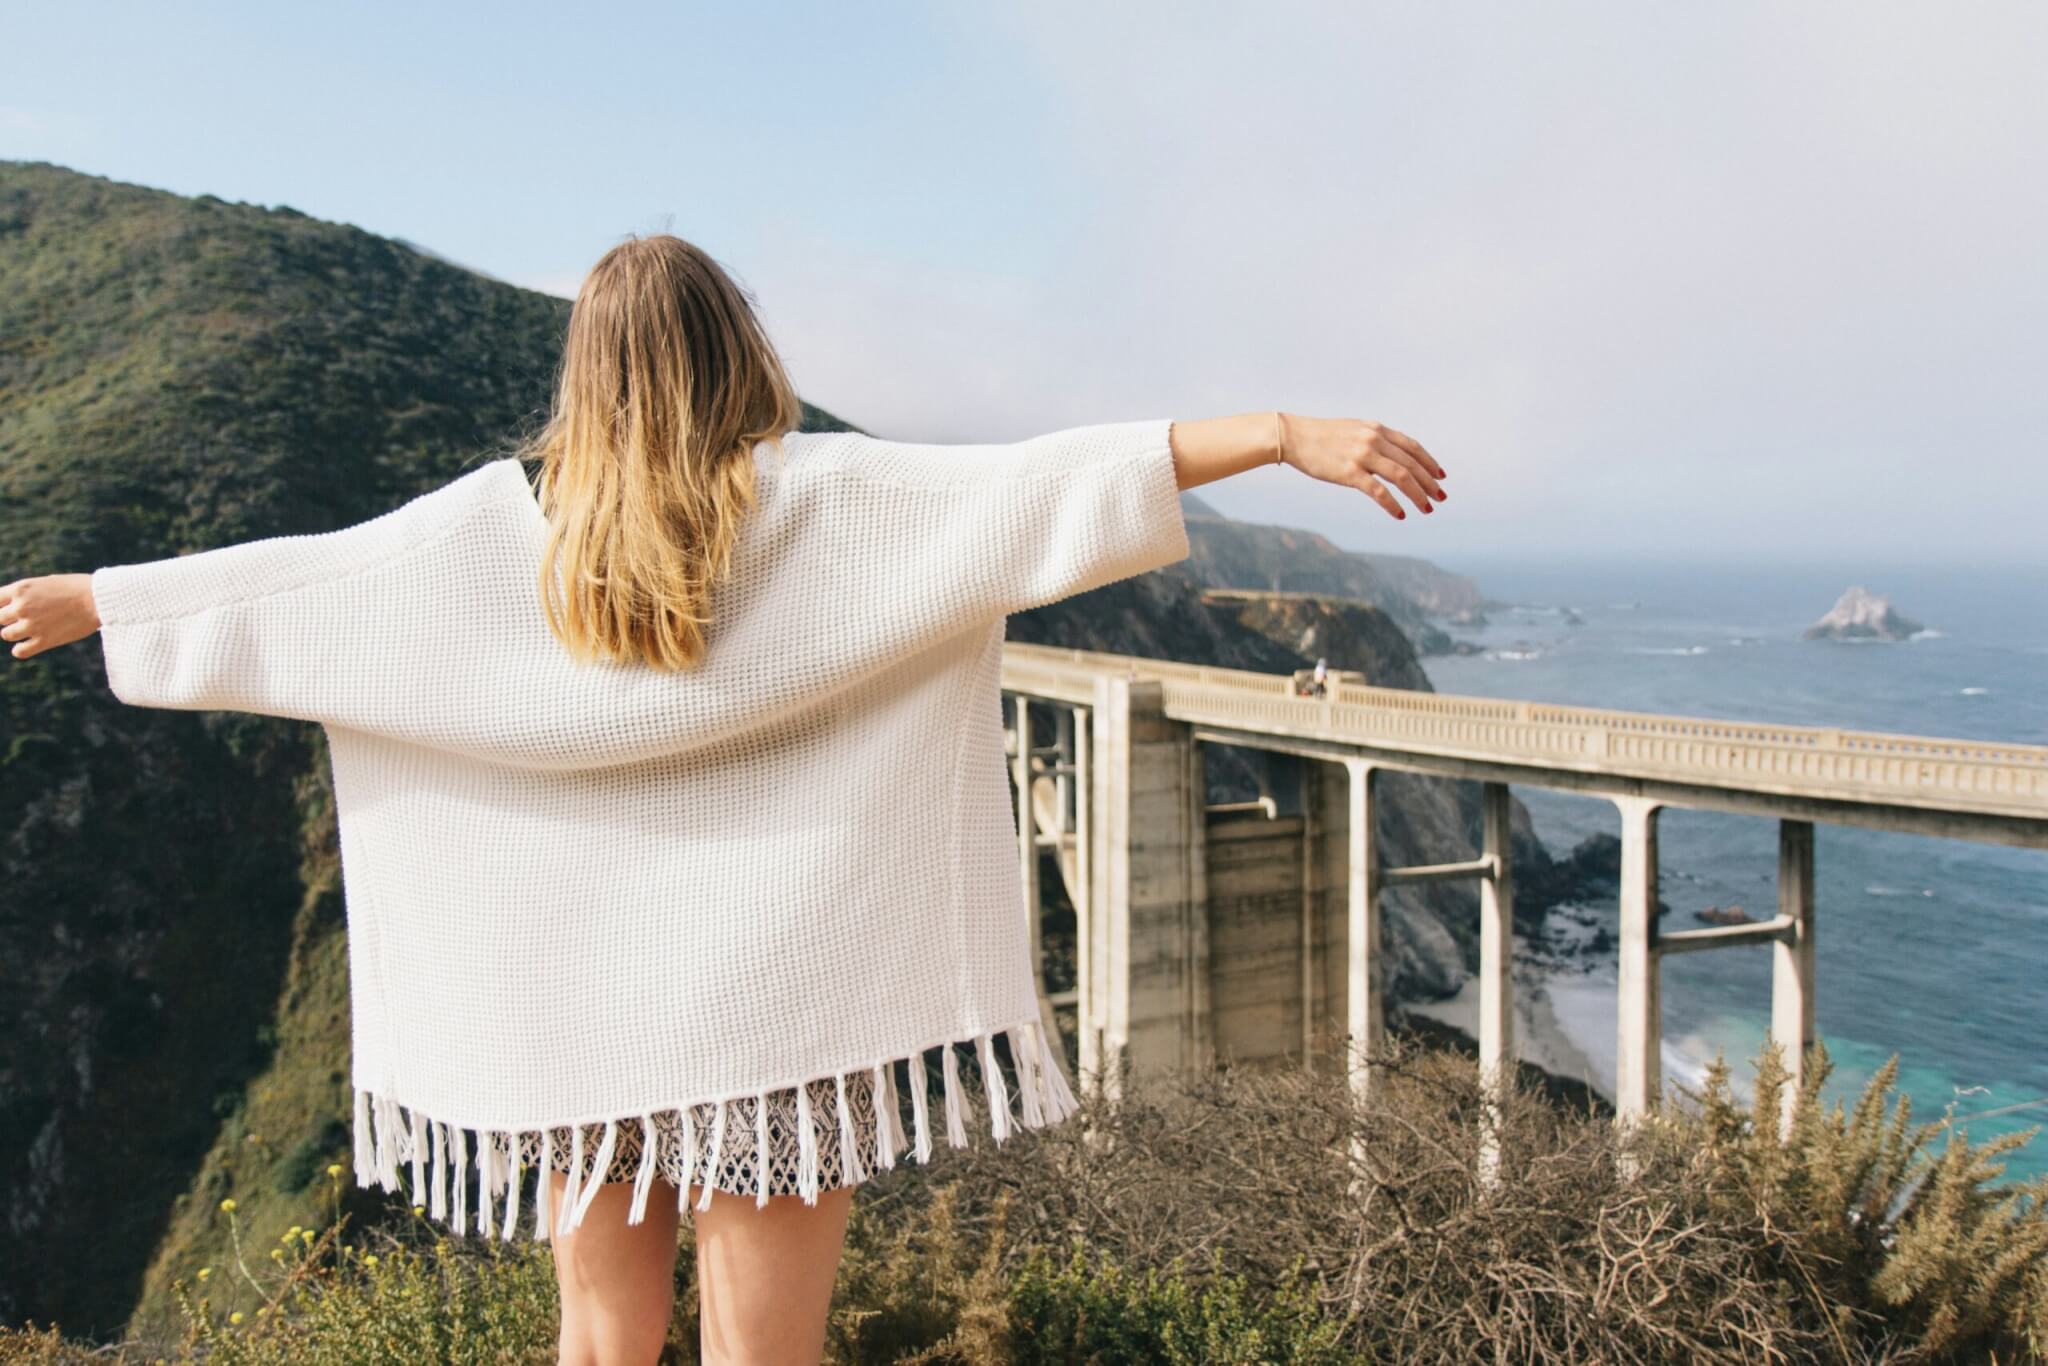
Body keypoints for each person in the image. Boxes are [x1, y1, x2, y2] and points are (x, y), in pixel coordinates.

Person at [0, 233, 1446, 1365]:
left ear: (589, 376)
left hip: (579, 1034)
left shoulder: (494, 548)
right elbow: (1041, 487)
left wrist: (96, 600)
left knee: (601, 1337)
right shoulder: (828, 504)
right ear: (735, 350)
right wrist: (1280, 431)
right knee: (768, 1350)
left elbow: (301, 586)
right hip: (780, 1031)